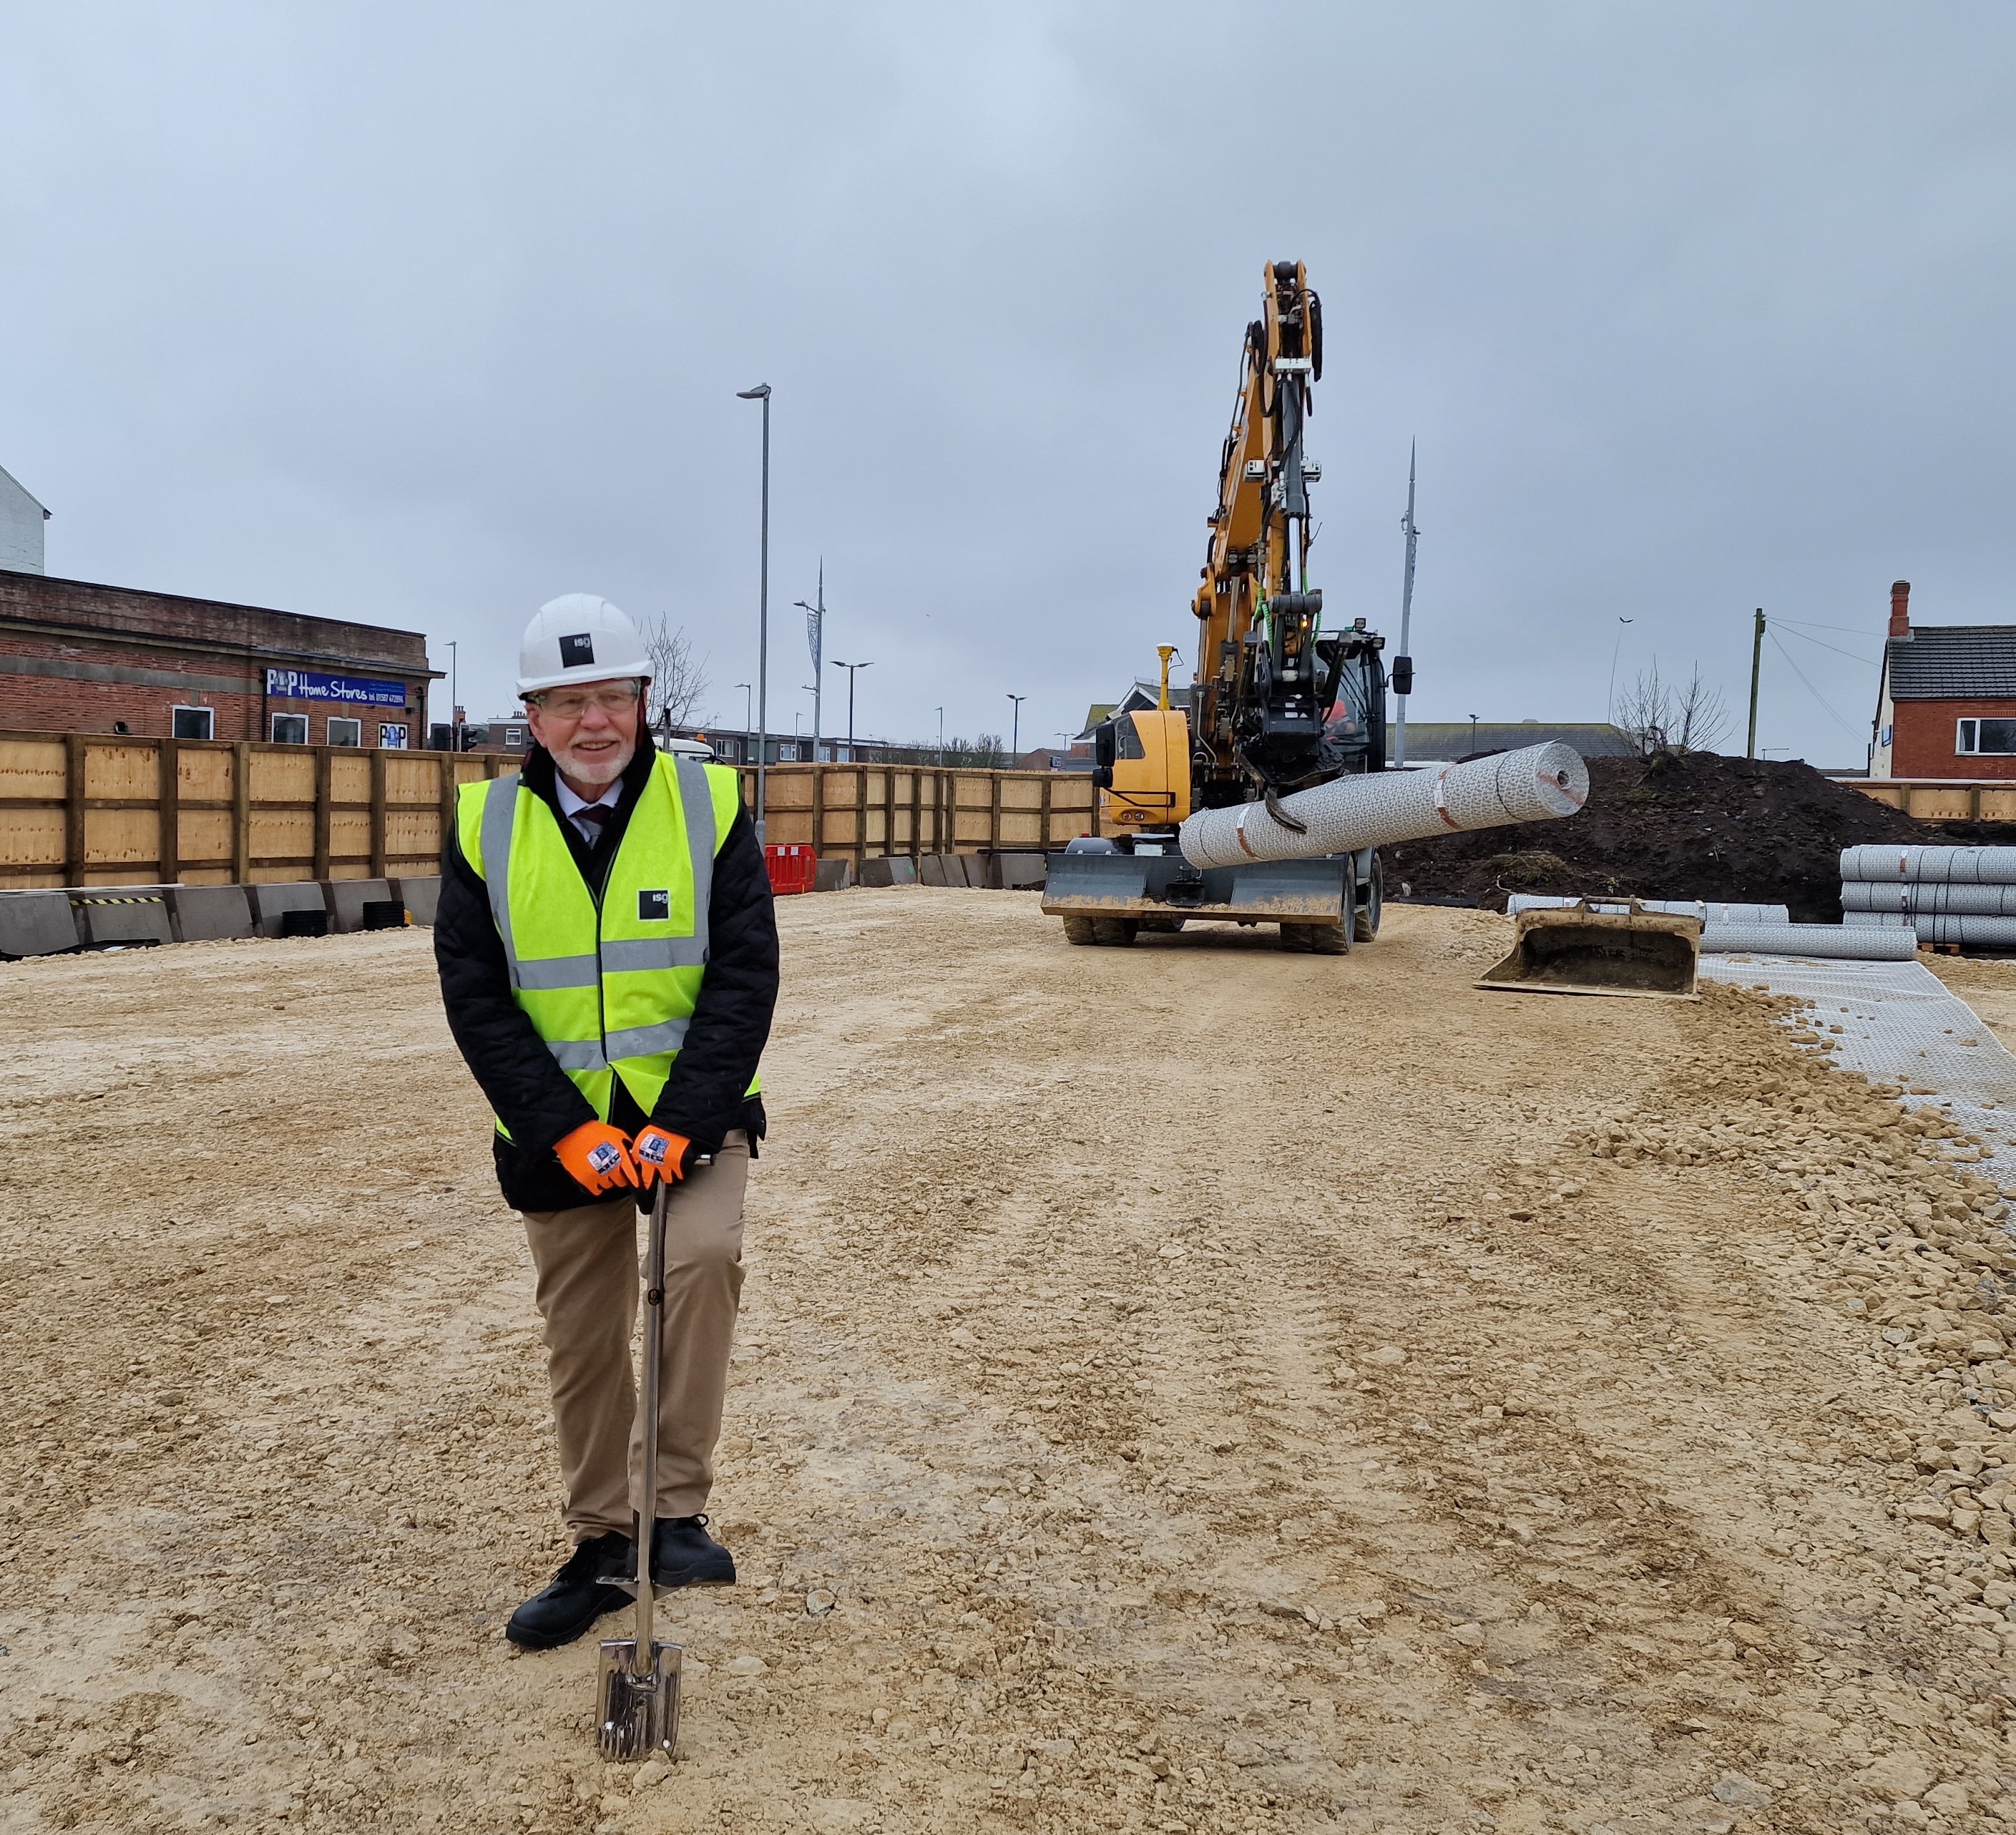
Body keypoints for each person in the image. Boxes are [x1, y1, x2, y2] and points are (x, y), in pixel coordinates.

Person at [434, 594, 778, 1650]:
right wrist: (564, 1131)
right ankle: (601, 1540)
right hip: (559, 1131)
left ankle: (672, 1514)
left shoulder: (707, 802)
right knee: (583, 1338)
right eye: (568, 702)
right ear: (531, 717)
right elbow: (476, 993)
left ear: (642, 702)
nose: (595, 722)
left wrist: (680, 1123)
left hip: (693, 1116)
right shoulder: (484, 823)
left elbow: (742, 976)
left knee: (702, 1262)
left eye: (612, 698)